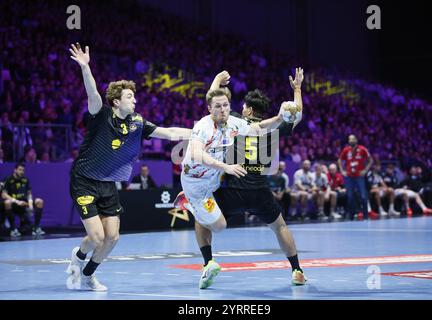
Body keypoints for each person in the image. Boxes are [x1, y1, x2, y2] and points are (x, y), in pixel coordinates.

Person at [65, 43, 191, 291]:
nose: (135, 100)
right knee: (97, 236)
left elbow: (170, 132)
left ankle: (87, 273)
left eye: (134, 96)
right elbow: (92, 94)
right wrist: (85, 67)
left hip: (108, 183)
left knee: (112, 237)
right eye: (129, 96)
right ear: (115, 101)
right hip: (84, 180)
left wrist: (199, 132)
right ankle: (79, 257)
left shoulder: (137, 123)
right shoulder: (101, 115)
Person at [175, 70, 299, 289]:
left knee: (206, 220)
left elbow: (218, 103)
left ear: (247, 109)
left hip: (227, 185)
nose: (227, 109)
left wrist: (216, 81)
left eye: (230, 106)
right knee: (279, 227)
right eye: (221, 106)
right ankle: (297, 269)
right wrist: (296, 91)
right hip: (249, 187)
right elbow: (296, 114)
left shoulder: (236, 122)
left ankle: (207, 260)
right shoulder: (211, 125)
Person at [1, 163, 45, 237]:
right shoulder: (8, 179)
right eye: (20, 170)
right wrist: (17, 201)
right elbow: (3, 194)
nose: (22, 172)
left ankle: (36, 228)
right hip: (14, 202)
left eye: (23, 170)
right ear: (15, 170)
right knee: (7, 203)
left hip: (24, 202)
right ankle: (13, 229)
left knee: (39, 201)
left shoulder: (25, 179)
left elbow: (29, 194)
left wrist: (30, 205)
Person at [338, 135, 373, 220]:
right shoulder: (346, 150)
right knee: (350, 196)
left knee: (363, 196)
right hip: (349, 177)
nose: (351, 141)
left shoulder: (362, 149)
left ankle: (365, 216)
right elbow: (339, 160)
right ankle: (351, 216)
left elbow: (370, 160)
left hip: (359, 176)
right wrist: (342, 171)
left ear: (356, 140)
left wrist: (365, 170)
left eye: (352, 139)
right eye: (349, 139)